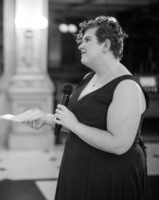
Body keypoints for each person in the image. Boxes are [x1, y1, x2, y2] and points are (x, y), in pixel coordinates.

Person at [24, 16, 149, 200]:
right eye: (81, 41)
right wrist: (45, 119)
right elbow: (83, 123)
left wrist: (74, 125)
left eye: (87, 40)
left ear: (105, 45)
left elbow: (119, 145)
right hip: (78, 169)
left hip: (109, 177)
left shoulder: (127, 87)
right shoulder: (89, 77)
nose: (80, 46)